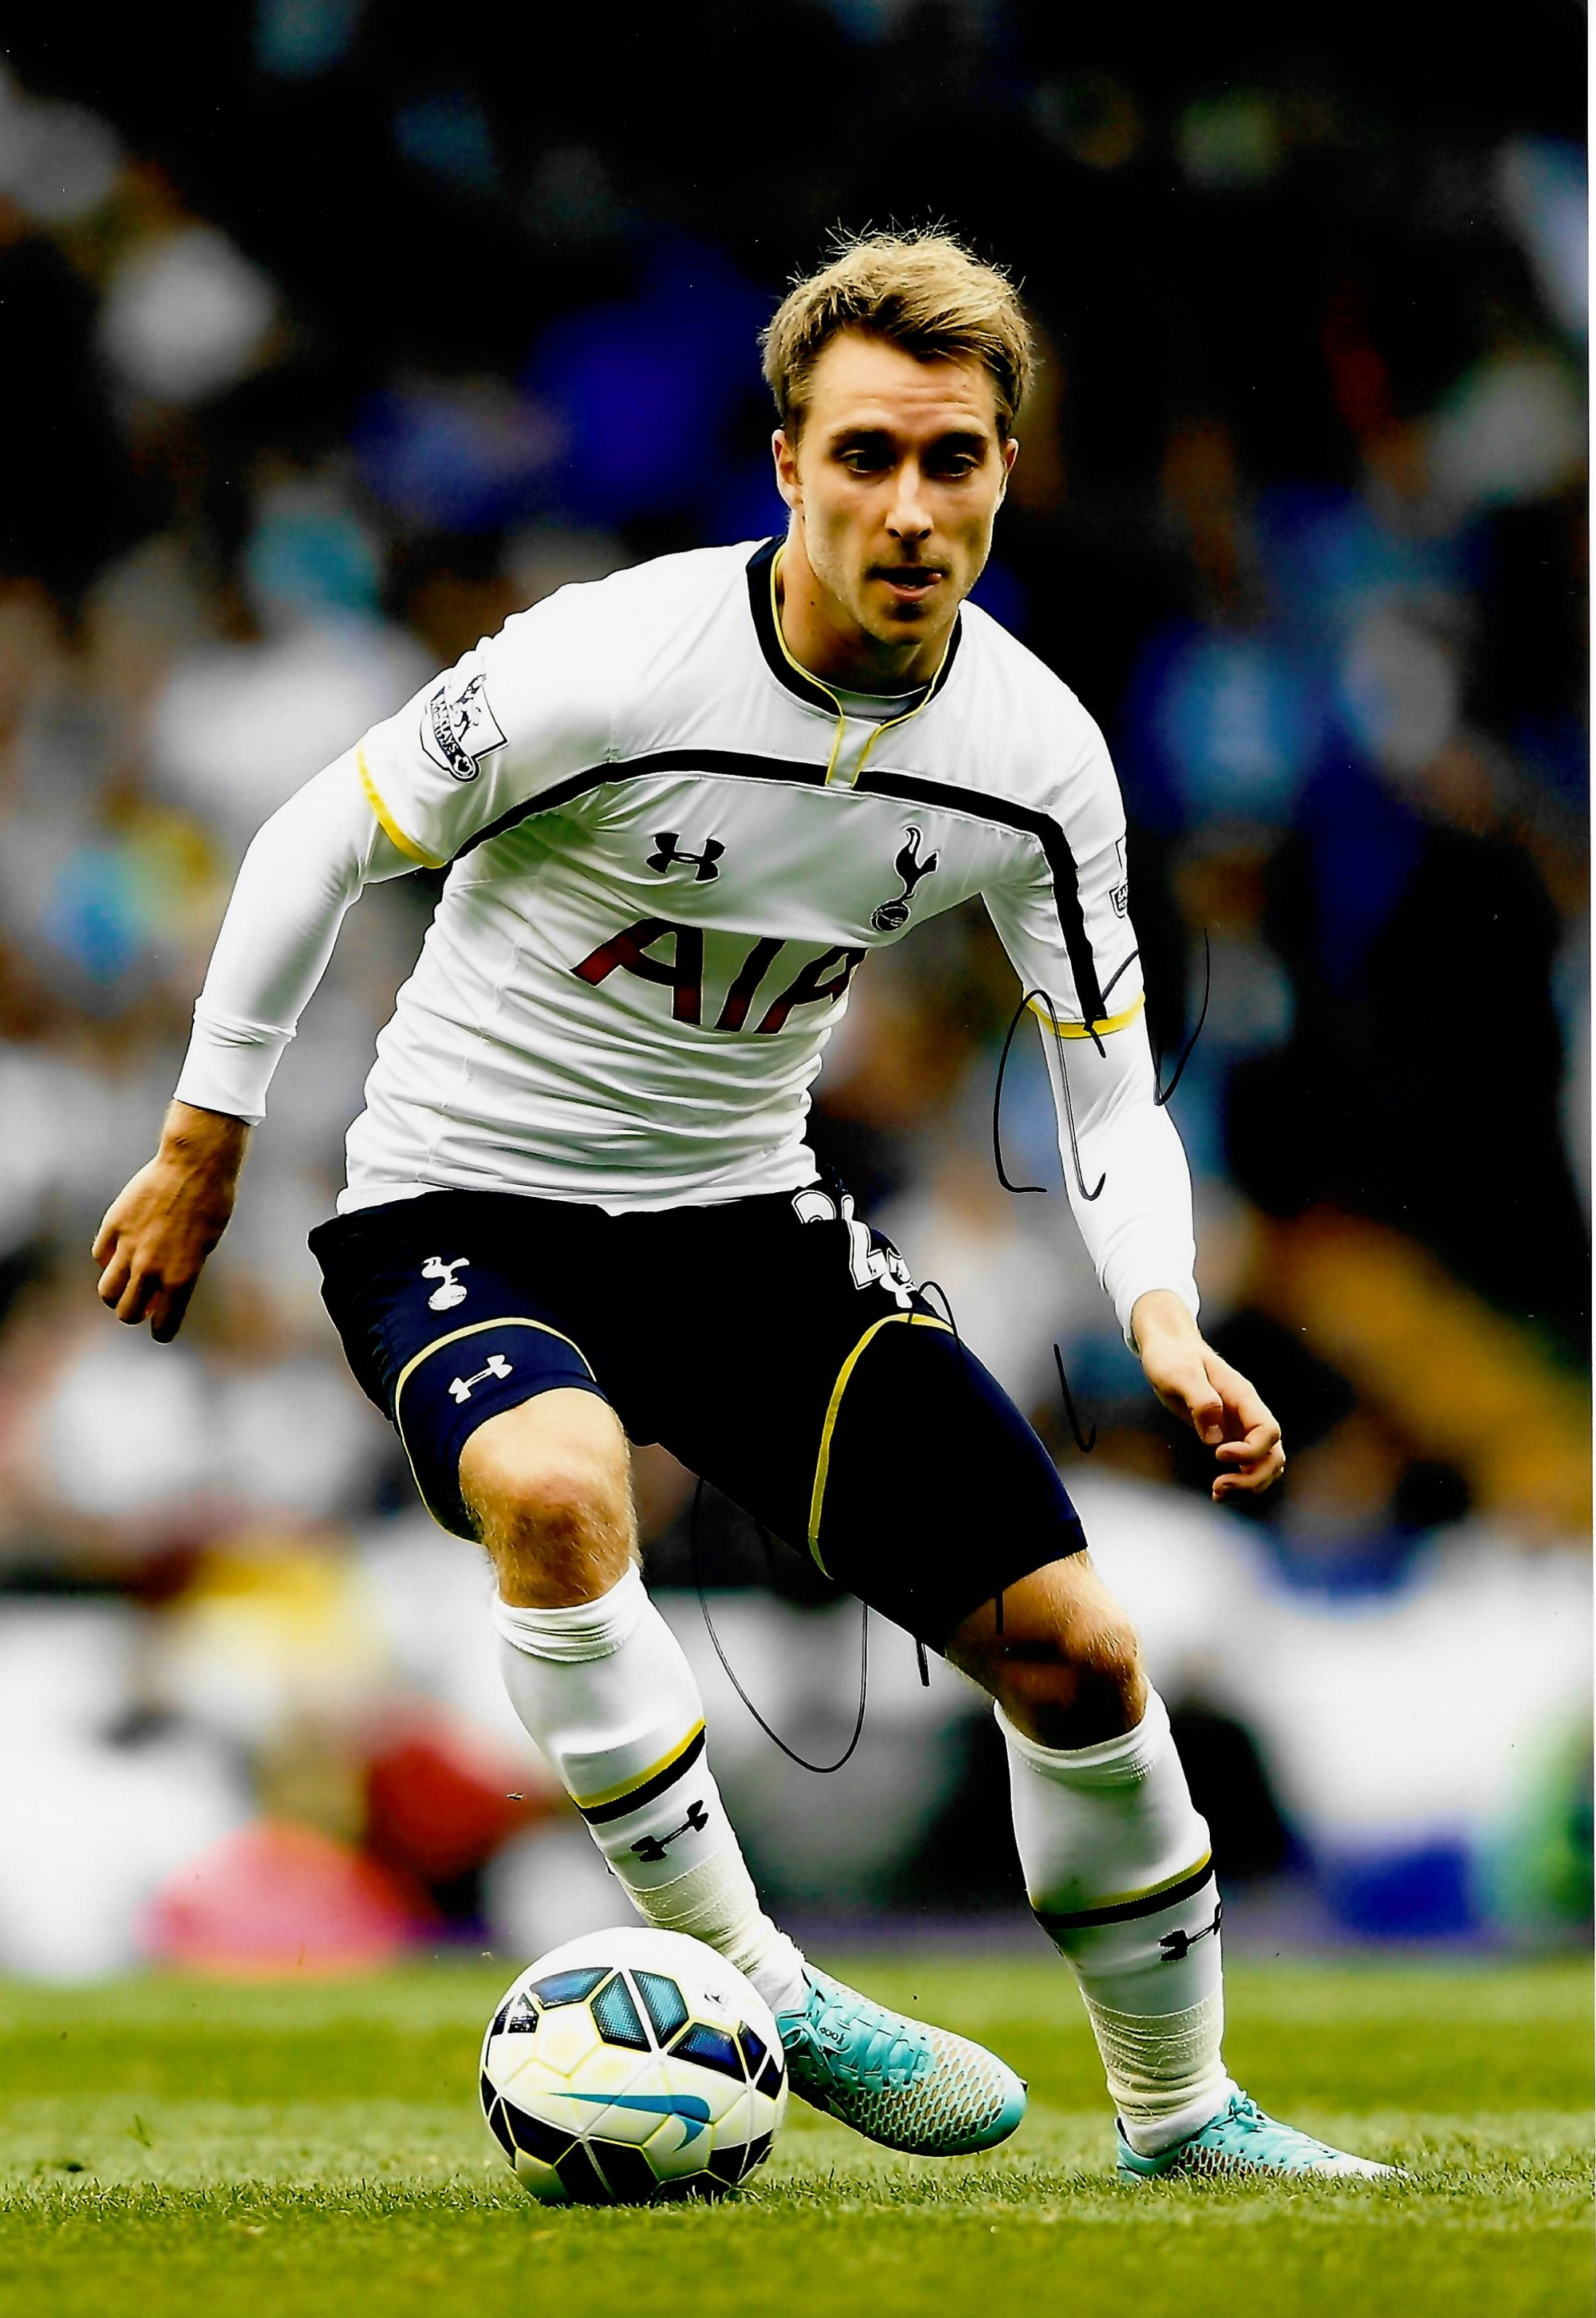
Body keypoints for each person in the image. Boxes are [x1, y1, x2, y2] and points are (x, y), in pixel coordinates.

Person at [94, 232, 1393, 2181]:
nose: (908, 507)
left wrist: (1158, 1310)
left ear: (1005, 474)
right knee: (554, 1494)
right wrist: (203, 1140)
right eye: (864, 455)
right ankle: (759, 1976)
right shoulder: (610, 659)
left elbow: (1104, 1077)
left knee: (1078, 1651)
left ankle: (1183, 2113)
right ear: (787, 463)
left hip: (741, 1223)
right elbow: (314, 840)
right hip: (467, 1199)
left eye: (951, 460)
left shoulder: (1034, 755)